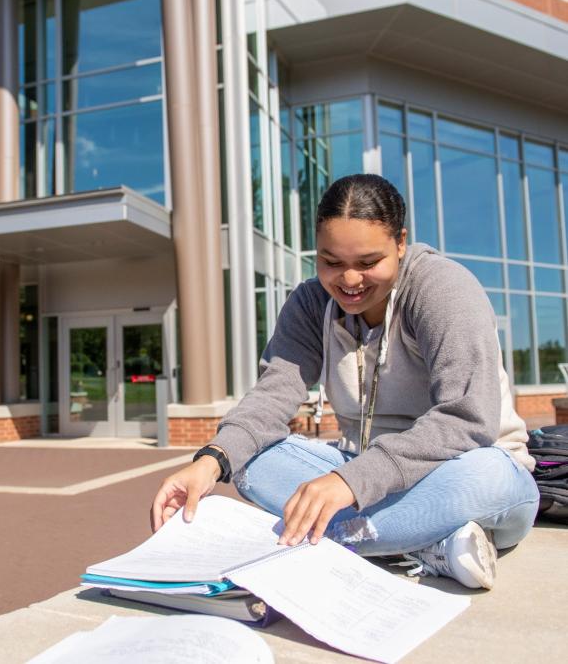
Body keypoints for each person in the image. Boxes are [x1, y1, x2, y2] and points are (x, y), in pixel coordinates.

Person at [151, 174, 540, 590]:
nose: (349, 280)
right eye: (331, 262)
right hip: (361, 473)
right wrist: (211, 461)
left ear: (401, 242)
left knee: (485, 475)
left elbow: (466, 418)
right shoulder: (310, 301)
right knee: (249, 460)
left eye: (368, 262)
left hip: (467, 467)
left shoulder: (442, 288)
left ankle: (311, 540)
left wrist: (350, 482)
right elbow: (272, 396)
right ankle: (423, 542)